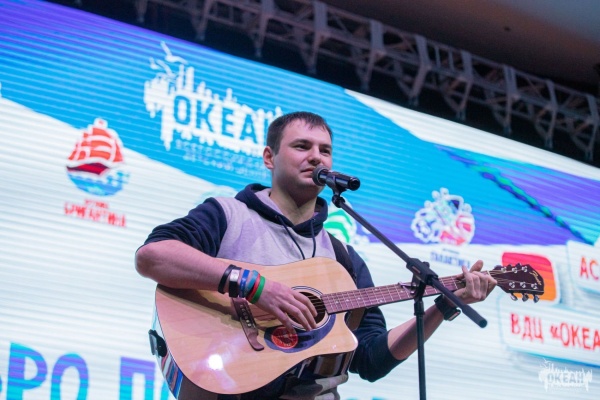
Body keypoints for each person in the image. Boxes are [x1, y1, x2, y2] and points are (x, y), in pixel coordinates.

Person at [135, 111, 497, 399]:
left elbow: (371, 359)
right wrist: (255, 287)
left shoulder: (343, 258)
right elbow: (153, 256)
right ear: (269, 157)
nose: (316, 157)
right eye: (301, 146)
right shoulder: (228, 214)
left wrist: (444, 305)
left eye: (325, 150)